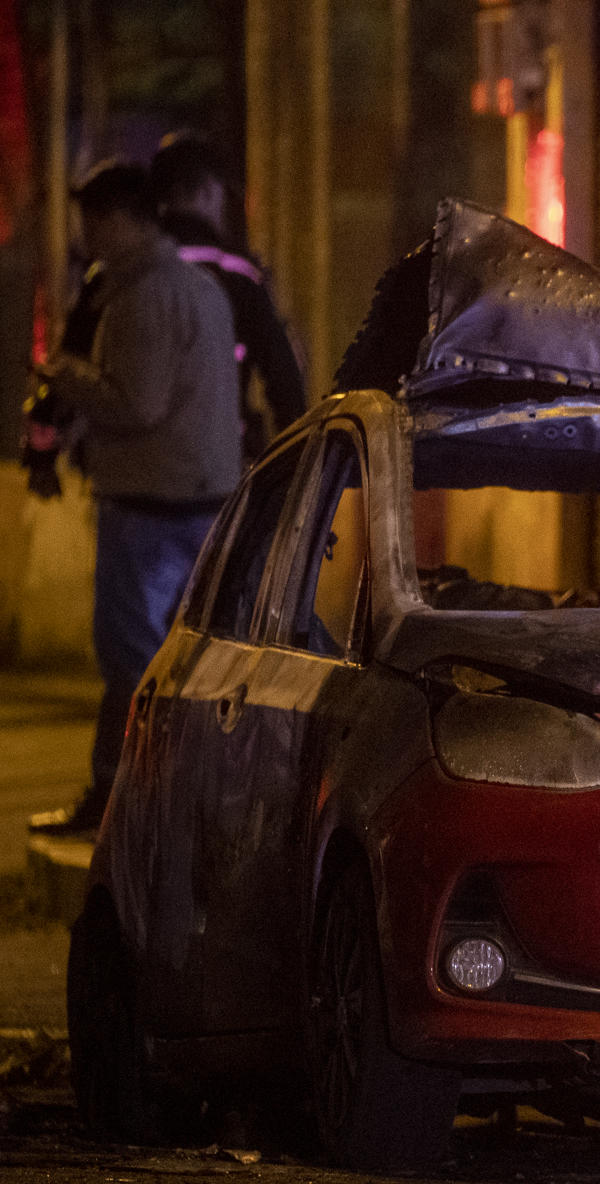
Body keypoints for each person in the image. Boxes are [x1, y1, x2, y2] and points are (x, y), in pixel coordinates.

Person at [27, 163, 243, 838]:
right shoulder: (200, 289)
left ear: (119, 220)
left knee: (131, 660)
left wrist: (67, 375)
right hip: (203, 499)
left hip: (147, 505)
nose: (85, 234)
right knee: (192, 661)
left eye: (92, 220)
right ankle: (184, 802)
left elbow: (135, 402)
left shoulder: (140, 297)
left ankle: (116, 800)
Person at [150, 130, 307, 459]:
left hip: (136, 471)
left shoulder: (125, 270)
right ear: (207, 191)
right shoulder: (238, 273)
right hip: (220, 463)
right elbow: (282, 377)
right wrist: (295, 457)